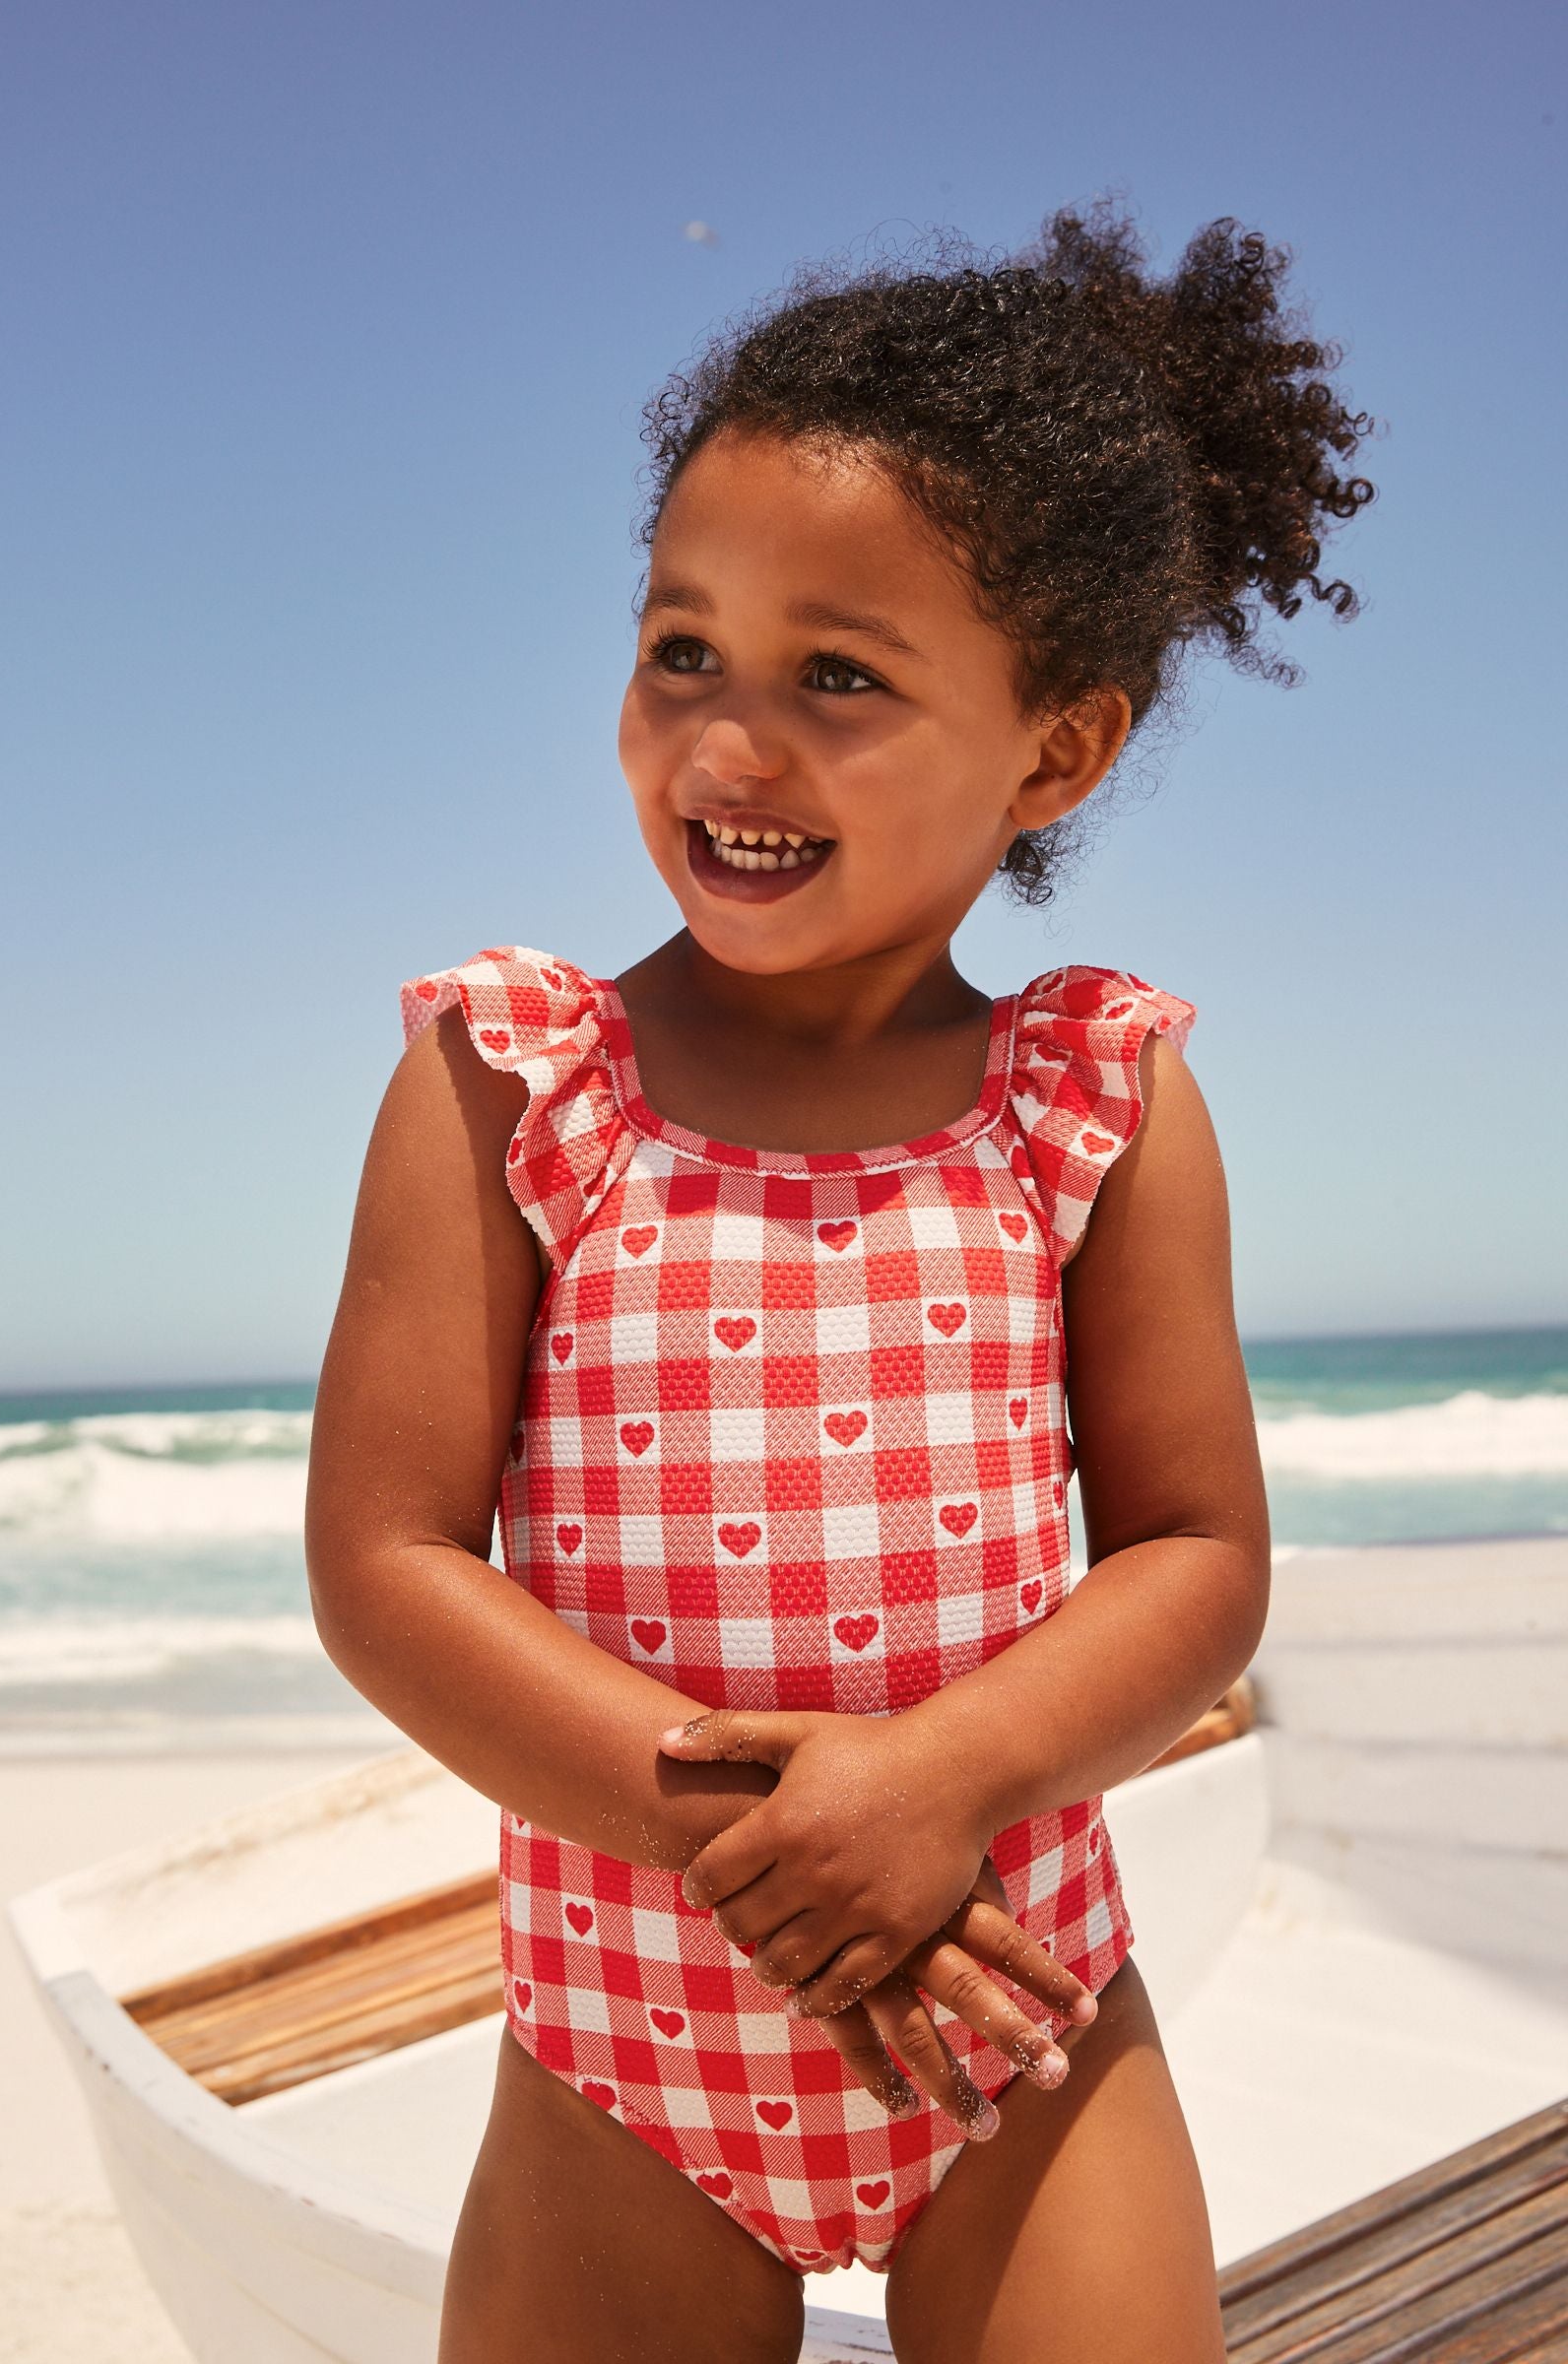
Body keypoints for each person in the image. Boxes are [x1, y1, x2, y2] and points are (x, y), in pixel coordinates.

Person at [305, 196, 1375, 2363]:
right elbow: (388, 1559)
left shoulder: (1091, 1100)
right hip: (629, 2043)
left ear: (1054, 751)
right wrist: (788, 1839)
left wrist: (935, 1792)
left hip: (1018, 2010)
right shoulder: (517, 1085)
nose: (728, 741)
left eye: (840, 678)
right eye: (679, 646)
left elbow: (1193, 1553)